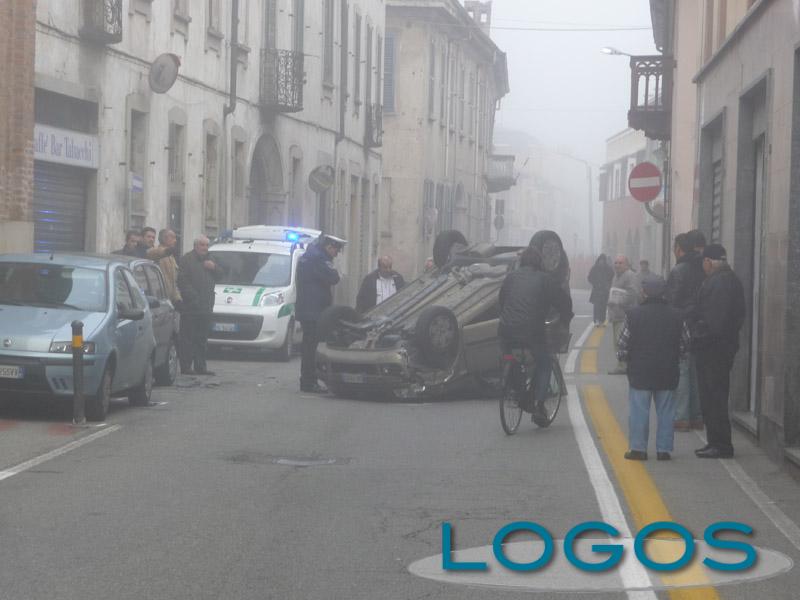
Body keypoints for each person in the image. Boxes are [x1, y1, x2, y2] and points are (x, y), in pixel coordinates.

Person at [617, 275, 690, 461]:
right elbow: (685, 343)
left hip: (640, 371)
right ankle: (664, 450)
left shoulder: (633, 315)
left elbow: (623, 343)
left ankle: (638, 449)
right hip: (667, 370)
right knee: (666, 411)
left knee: (639, 411)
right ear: (664, 293)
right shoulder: (677, 315)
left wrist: (624, 359)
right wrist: (678, 357)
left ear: (644, 292)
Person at [498, 246, 573, 420]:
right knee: (544, 362)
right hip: (532, 331)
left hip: (506, 329)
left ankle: (516, 387)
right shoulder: (545, 279)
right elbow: (563, 302)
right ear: (539, 263)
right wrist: (565, 319)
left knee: (509, 356)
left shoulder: (510, 278)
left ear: (522, 261)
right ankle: (539, 406)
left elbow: (502, 301)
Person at [691, 244, 746, 459]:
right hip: (719, 347)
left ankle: (721, 445)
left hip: (714, 350)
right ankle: (715, 441)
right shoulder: (727, 279)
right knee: (713, 396)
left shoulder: (720, 282)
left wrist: (696, 335)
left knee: (714, 396)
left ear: (708, 262)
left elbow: (714, 321)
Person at [666, 232, 706, 432]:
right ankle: (697, 417)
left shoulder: (679, 270)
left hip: (683, 325)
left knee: (682, 371)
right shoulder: (703, 268)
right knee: (695, 374)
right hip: (701, 325)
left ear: (679, 249)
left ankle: (681, 417)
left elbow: (672, 301)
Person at [296, 234, 345, 393]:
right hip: (315, 309)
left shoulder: (307, 256)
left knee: (308, 347)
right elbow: (334, 278)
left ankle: (307, 380)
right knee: (312, 348)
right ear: (329, 247)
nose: (336, 254)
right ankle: (309, 382)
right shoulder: (319, 258)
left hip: (306, 307)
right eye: (336, 250)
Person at [177, 235, 224, 376]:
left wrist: (214, 267)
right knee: (188, 338)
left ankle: (201, 367)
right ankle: (186, 367)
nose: (204, 248)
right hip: (191, 307)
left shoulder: (211, 259)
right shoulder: (186, 260)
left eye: (206, 245)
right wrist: (195, 299)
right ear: (195, 246)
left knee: (202, 339)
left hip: (207, 306)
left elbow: (221, 275)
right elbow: (183, 282)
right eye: (202, 245)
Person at [607, 255, 641, 374]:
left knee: (621, 342)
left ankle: (623, 366)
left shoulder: (630, 276)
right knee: (617, 341)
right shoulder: (616, 276)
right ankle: (622, 364)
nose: (617, 265)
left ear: (627, 264)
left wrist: (617, 301)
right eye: (615, 263)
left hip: (625, 315)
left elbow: (633, 294)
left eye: (620, 263)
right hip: (616, 315)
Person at [147, 229, 182, 305]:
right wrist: (167, 251)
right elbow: (154, 253)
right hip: (159, 299)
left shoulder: (171, 257)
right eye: (173, 237)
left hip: (170, 300)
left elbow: (173, 280)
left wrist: (178, 298)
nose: (175, 240)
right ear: (164, 238)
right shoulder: (155, 251)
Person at [587, 254, 614, 326]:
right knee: (596, 306)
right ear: (598, 260)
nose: (601, 262)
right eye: (600, 260)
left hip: (605, 291)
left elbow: (612, 278)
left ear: (605, 261)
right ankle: (596, 320)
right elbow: (589, 278)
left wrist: (608, 285)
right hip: (596, 290)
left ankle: (602, 320)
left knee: (603, 306)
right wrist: (595, 283)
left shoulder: (609, 269)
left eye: (603, 260)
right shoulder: (594, 268)